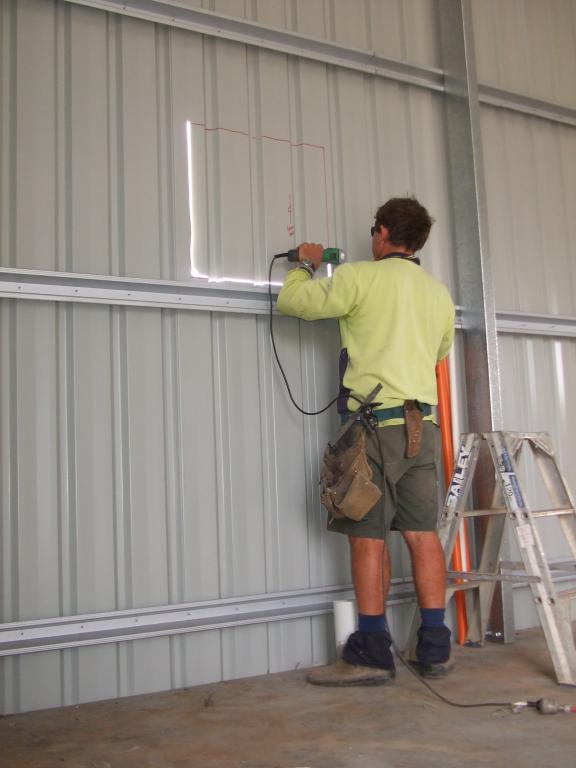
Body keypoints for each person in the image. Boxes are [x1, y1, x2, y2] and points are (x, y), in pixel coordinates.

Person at [276, 197, 455, 686]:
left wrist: (307, 267)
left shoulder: (358, 277)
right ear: (416, 242)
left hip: (373, 427)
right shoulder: (438, 294)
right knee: (422, 535)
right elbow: (439, 350)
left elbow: (295, 303)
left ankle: (371, 654)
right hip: (422, 427)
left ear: (380, 233)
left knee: (367, 536)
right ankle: (435, 648)